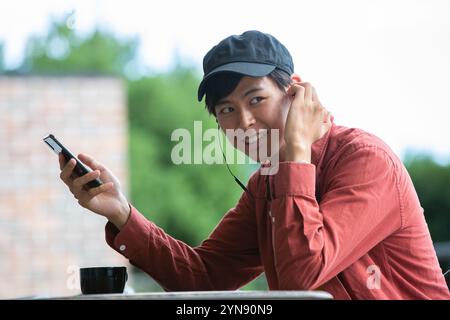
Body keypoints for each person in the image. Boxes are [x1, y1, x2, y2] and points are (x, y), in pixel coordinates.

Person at [58, 30, 450, 299]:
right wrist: (122, 213)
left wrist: (296, 149)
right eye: (227, 109)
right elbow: (205, 275)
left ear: (295, 92)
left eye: (256, 99)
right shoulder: (270, 183)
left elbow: (302, 279)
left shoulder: (365, 160)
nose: (243, 121)